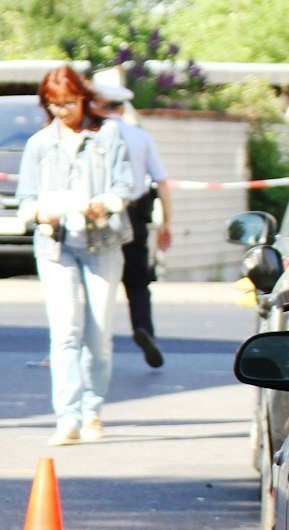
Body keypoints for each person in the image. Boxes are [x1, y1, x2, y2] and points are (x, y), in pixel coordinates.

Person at [17, 66, 137, 445]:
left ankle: (92, 411)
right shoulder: (39, 144)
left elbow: (127, 185)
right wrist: (41, 212)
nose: (62, 111)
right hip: (56, 244)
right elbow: (25, 201)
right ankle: (66, 417)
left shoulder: (109, 134)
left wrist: (106, 203)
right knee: (65, 330)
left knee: (98, 333)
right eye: (53, 106)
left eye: (68, 103)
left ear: (83, 97)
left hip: (102, 241)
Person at [93, 81, 173, 369]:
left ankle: (90, 343)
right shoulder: (140, 136)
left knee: (98, 279)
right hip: (134, 213)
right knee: (138, 281)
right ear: (123, 106)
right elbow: (162, 182)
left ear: (97, 105)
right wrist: (167, 224)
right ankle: (144, 329)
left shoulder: (91, 135)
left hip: (95, 214)